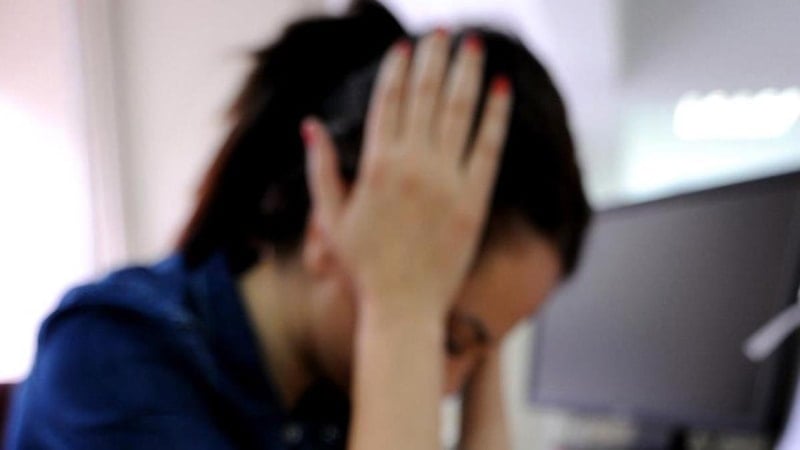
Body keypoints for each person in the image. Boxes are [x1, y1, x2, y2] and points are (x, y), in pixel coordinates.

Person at [4, 1, 590, 449]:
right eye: (452, 341)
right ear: (327, 222)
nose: (444, 389)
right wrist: (403, 316)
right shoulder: (106, 361)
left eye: (481, 352)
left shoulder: (325, 396)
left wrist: (476, 342)